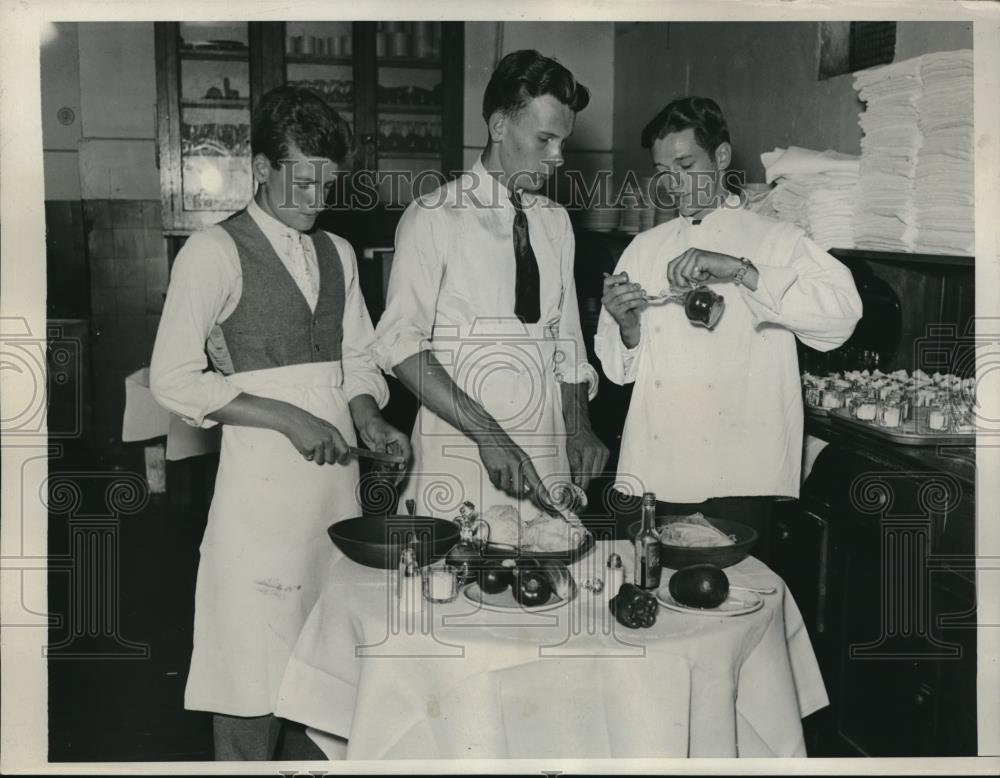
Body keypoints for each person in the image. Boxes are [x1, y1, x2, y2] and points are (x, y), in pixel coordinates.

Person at [149, 86, 411, 760]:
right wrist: (284, 416)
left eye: (328, 180)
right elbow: (172, 378)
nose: (318, 194)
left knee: (325, 676)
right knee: (253, 677)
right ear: (262, 167)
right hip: (259, 504)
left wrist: (367, 414)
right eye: (303, 176)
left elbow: (356, 357)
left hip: (334, 499)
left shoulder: (340, 254)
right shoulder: (213, 253)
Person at [595, 96, 862, 561]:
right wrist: (627, 326)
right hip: (658, 470)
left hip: (739, 473)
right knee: (651, 595)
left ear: (720, 157)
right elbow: (620, 372)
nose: (673, 184)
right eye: (663, 171)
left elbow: (842, 317)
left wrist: (739, 270)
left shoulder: (777, 239)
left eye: (684, 165)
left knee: (737, 601)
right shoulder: (643, 249)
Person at [373, 50, 608, 528]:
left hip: (546, 458)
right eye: (544, 139)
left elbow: (567, 342)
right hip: (463, 457)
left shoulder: (555, 223)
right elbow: (399, 343)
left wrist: (580, 425)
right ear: (500, 126)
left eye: (563, 141)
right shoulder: (434, 216)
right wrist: (488, 435)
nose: (558, 157)